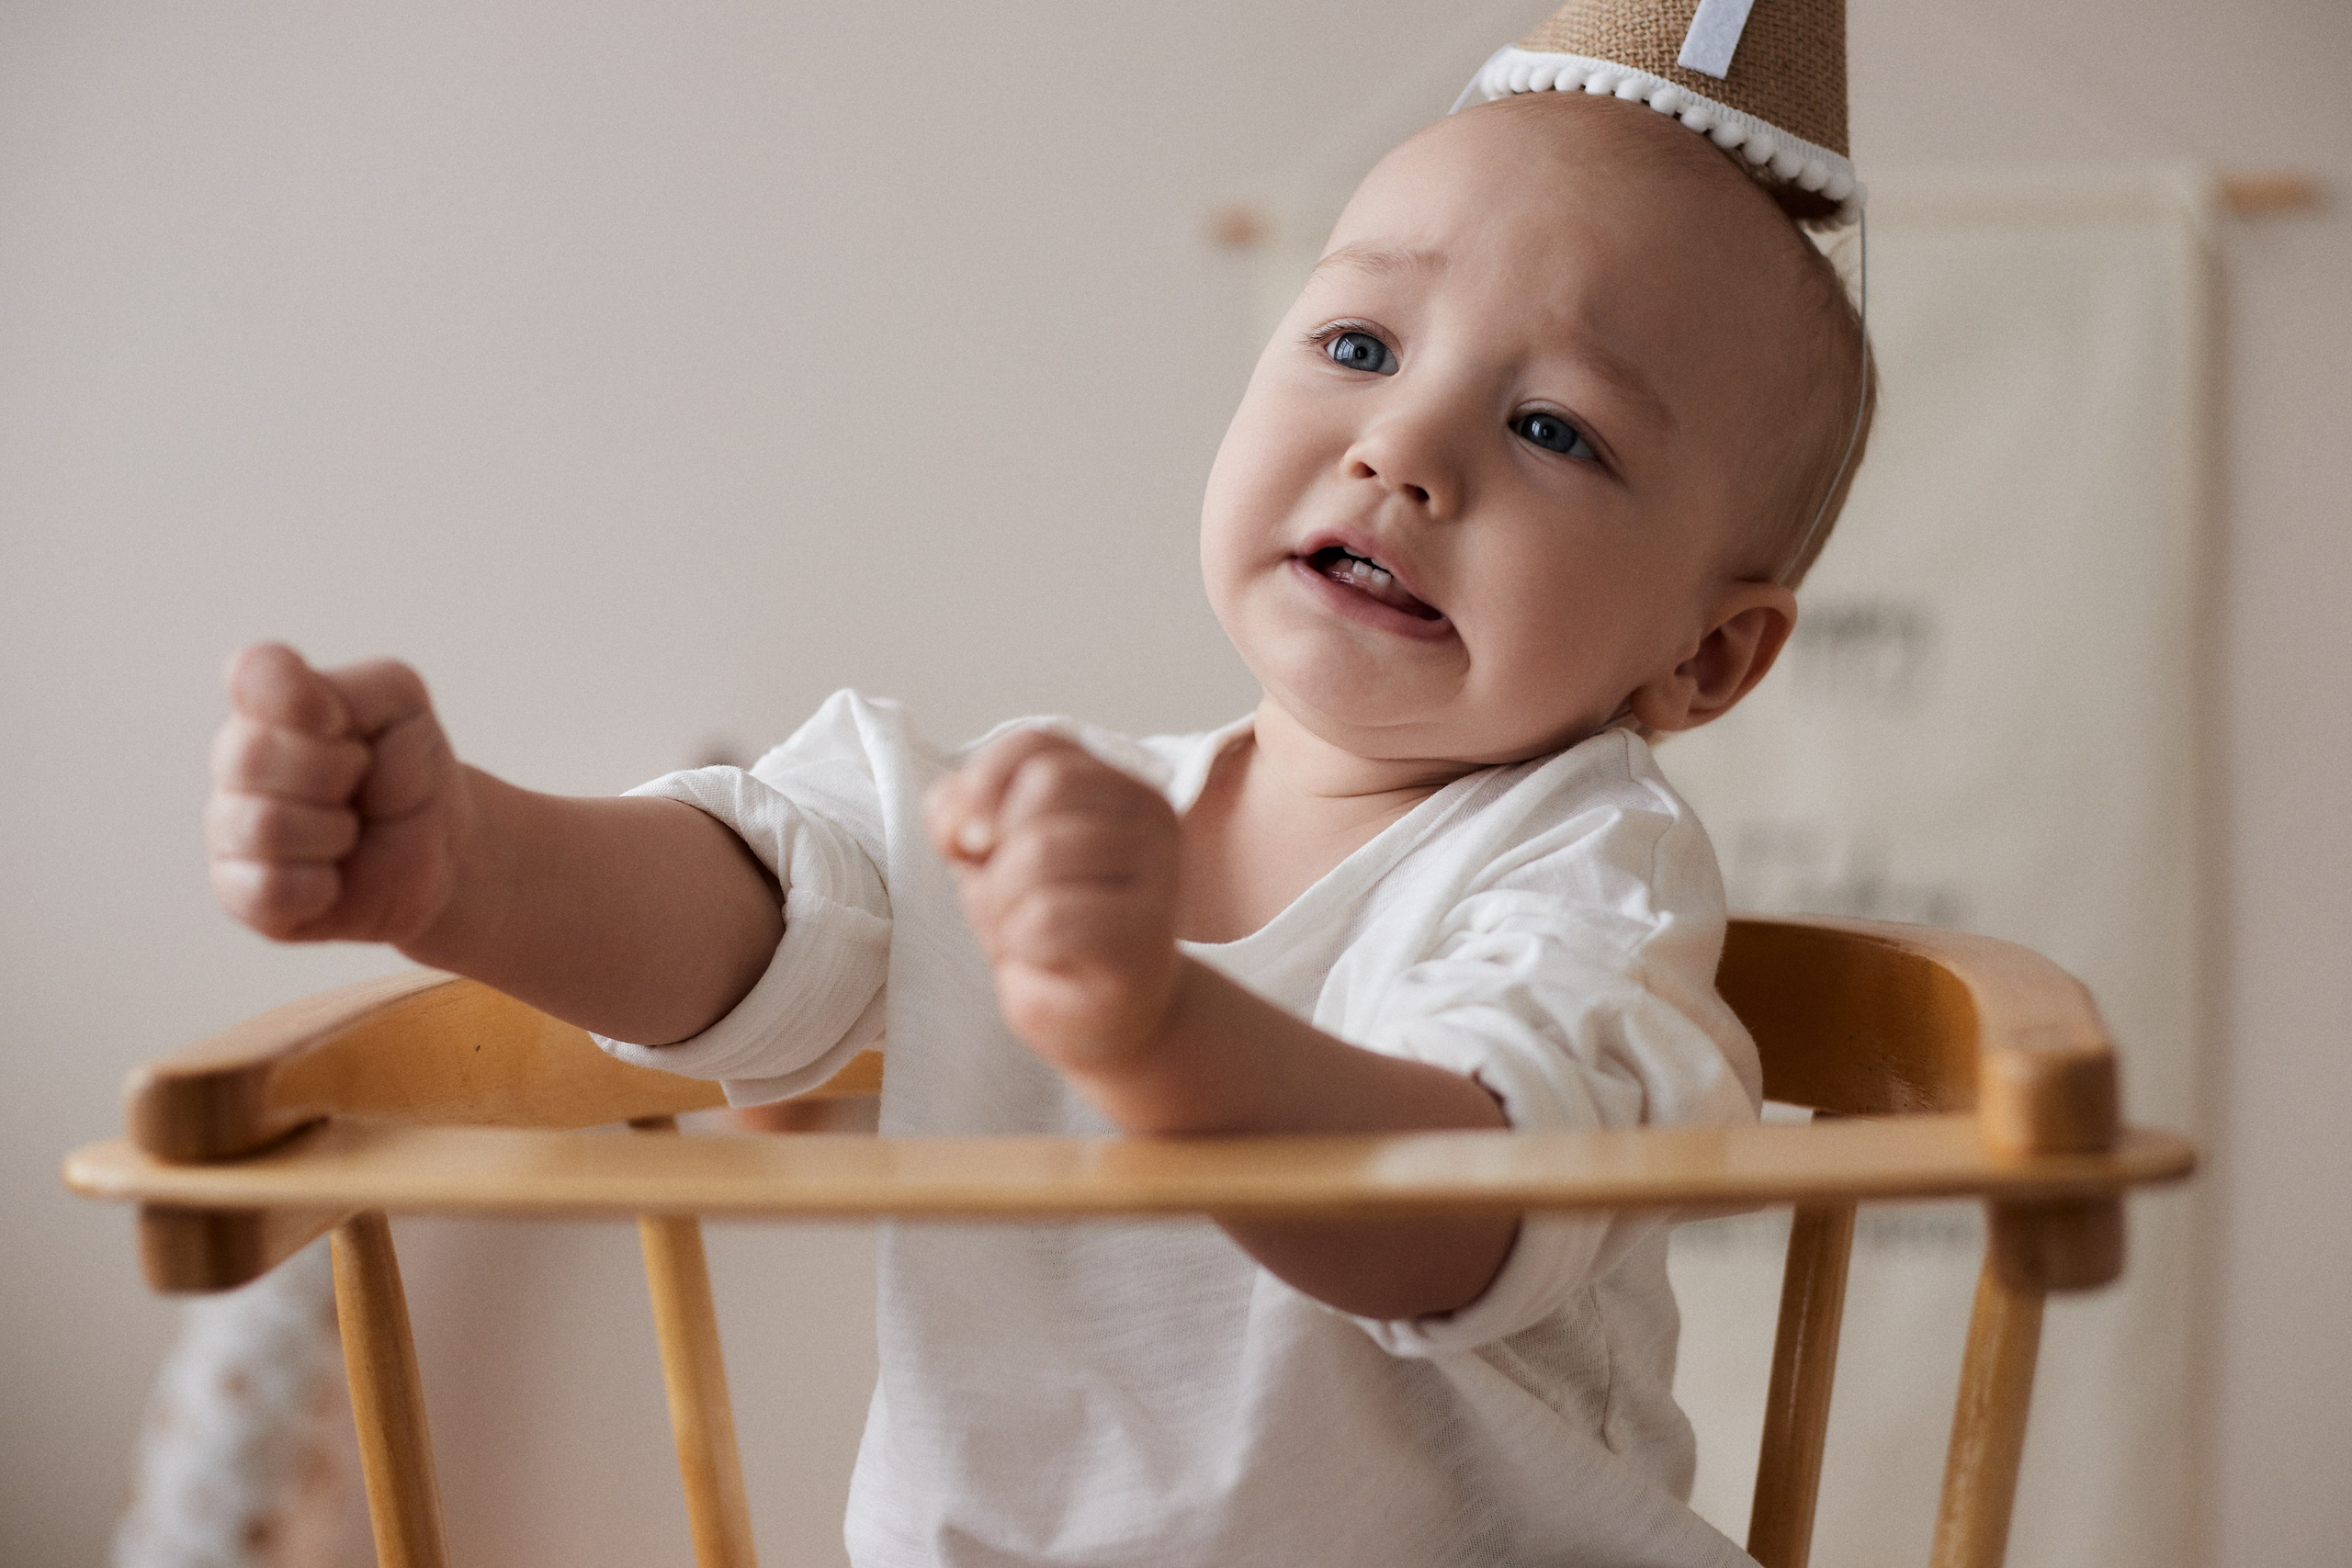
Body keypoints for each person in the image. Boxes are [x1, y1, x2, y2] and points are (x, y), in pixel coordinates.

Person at [201, 6, 1874, 1560]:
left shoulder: (1585, 875)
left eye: (1557, 431)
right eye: (1360, 341)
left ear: (1705, 659)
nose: (1403, 450)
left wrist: (1154, 1034)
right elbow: (757, 925)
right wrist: (474, 865)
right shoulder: (1027, 814)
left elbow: (1468, 1213)